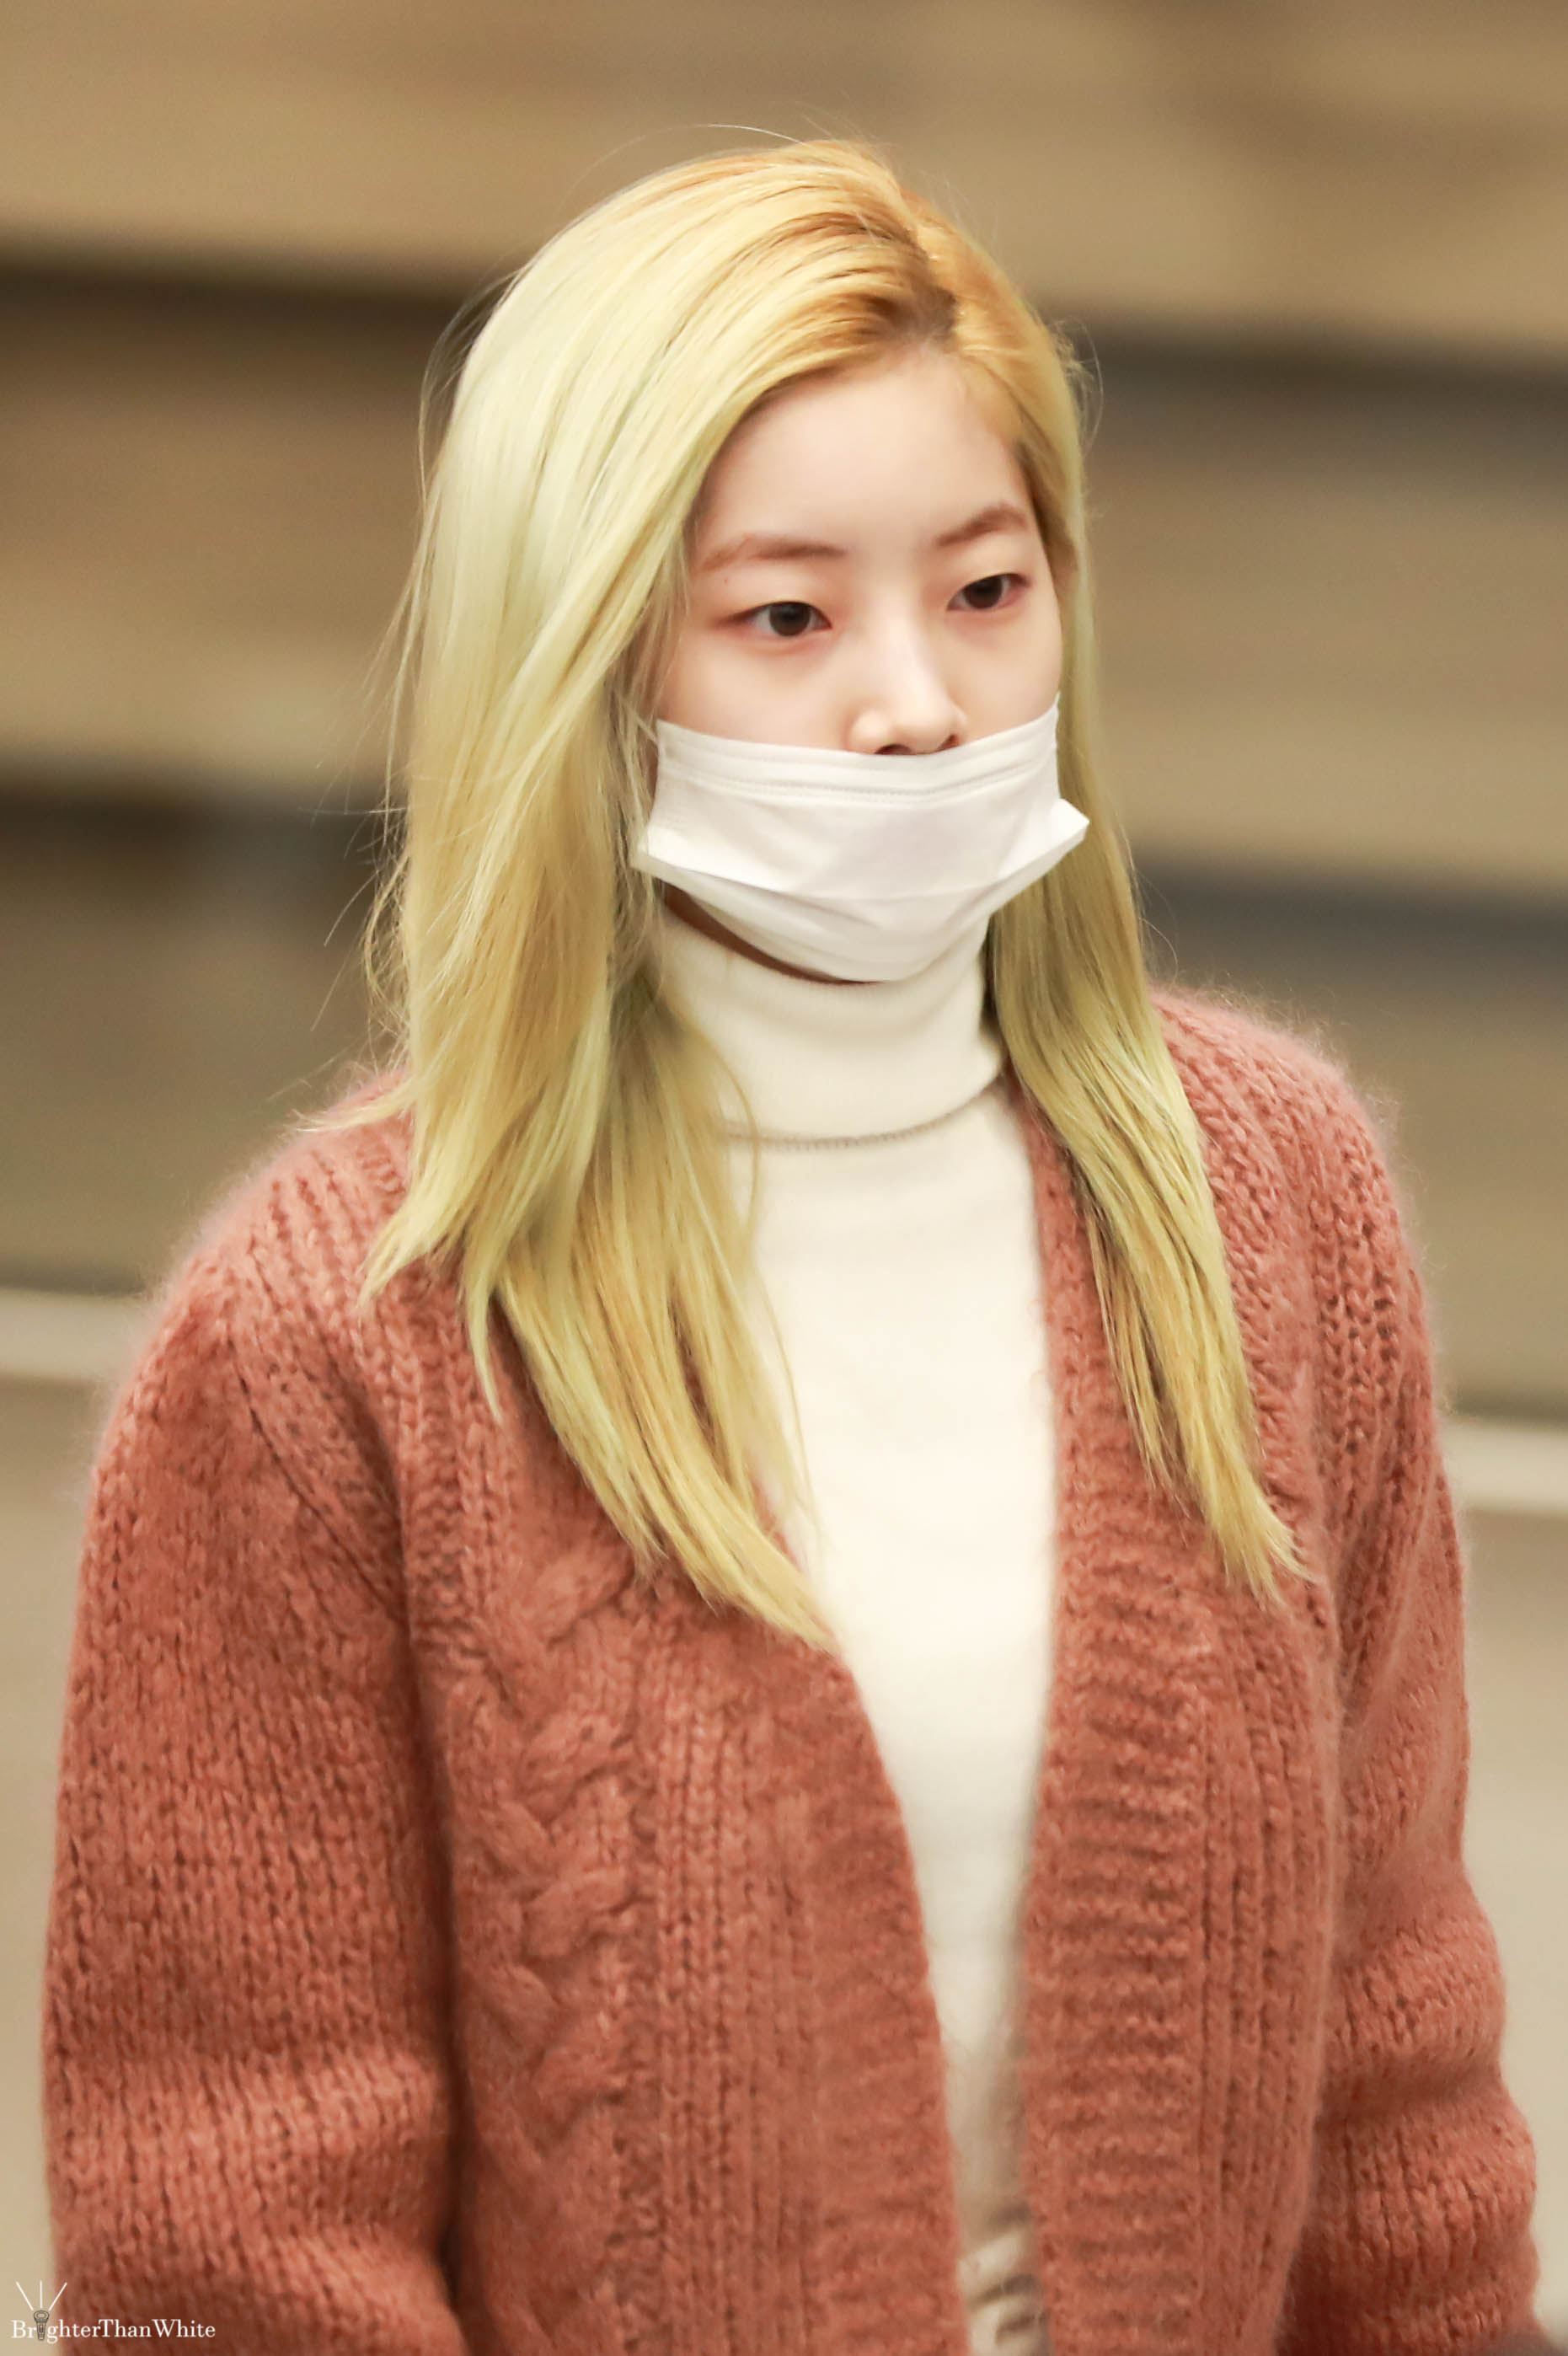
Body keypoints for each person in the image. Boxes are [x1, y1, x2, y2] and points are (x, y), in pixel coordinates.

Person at [40, 139, 1550, 2356]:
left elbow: (1397, 2065)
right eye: (787, 618)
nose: (918, 704)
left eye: (985, 590)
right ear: (587, 664)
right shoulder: (330, 1340)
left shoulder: (1273, 1201)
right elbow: (233, 2248)